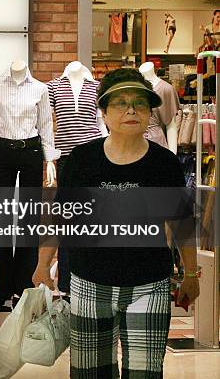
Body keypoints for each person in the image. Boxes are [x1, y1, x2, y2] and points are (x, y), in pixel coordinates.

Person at [32, 68, 199, 378]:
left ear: (150, 112)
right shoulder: (81, 160)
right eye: (120, 103)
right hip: (88, 281)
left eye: (139, 103)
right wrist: (44, 264)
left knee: (145, 372)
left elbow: (182, 223)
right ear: (104, 113)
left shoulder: (164, 164)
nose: (131, 110)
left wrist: (191, 273)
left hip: (149, 283)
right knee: (90, 372)